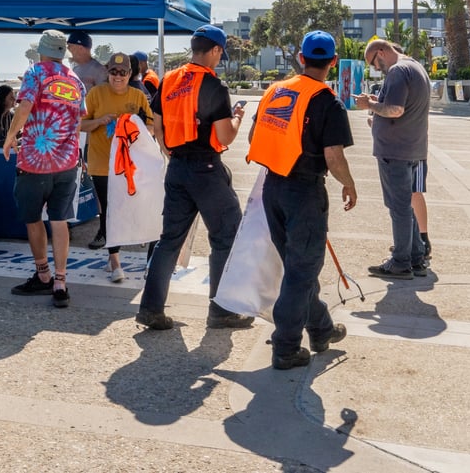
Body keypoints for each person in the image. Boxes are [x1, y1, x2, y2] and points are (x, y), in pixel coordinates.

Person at [247, 30, 356, 369]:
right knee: (300, 272)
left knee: (299, 269)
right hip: (305, 193)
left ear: (301, 59)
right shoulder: (327, 100)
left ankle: (321, 328)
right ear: (333, 62)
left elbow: (254, 135)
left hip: (273, 188)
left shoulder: (275, 91)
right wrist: (349, 184)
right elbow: (333, 155)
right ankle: (286, 347)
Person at [136, 24, 253, 331]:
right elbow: (224, 134)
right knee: (226, 236)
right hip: (207, 170)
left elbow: (157, 124)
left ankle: (150, 308)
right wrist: (238, 118)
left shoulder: (170, 79)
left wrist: (169, 152)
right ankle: (221, 310)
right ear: (214, 50)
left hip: (177, 168)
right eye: (220, 54)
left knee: (169, 240)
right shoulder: (214, 86)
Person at [3, 29, 85, 308]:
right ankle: (61, 282)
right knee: (60, 220)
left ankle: (43, 275)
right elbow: (77, 120)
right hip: (67, 162)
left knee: (33, 218)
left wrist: (11, 136)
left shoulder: (36, 72)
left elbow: (25, 106)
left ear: (42, 49)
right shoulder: (75, 79)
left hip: (36, 162)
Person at [354, 39, 431, 280]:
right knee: (405, 206)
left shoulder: (398, 71)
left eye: (375, 63)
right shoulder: (416, 67)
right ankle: (416, 257)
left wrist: (369, 105)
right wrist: (376, 111)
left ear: (381, 51)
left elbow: (395, 110)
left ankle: (400, 262)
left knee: (398, 208)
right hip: (411, 147)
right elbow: (400, 110)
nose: (377, 68)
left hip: (395, 151)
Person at [79, 52, 152, 280]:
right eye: (113, 72)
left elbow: (151, 128)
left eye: (123, 72)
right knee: (109, 211)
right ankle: (115, 261)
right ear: (107, 73)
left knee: (130, 209)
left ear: (130, 74)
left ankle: (125, 258)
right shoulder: (95, 94)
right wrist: (99, 122)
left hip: (130, 165)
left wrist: (131, 127)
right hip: (102, 163)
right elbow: (80, 124)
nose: (118, 76)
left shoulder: (138, 96)